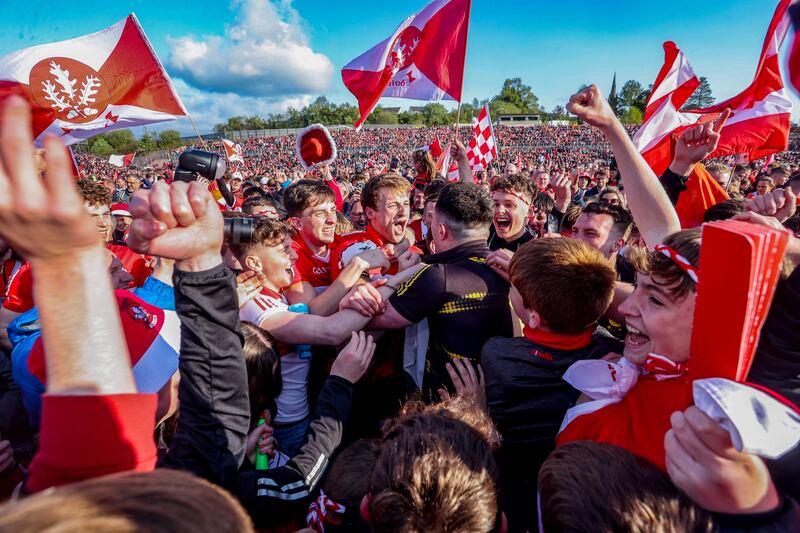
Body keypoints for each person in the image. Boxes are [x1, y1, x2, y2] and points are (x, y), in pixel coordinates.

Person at [481, 238, 620, 532]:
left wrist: (529, 288)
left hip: (513, 496)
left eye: (513, 290)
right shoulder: (614, 355)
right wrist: (535, 287)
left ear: (533, 316)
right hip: (580, 501)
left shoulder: (496, 354)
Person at [341, 183, 513, 396]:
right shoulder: (510, 267)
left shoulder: (439, 276)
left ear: (440, 231)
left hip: (452, 405)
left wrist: (392, 279)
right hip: (504, 396)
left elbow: (367, 317)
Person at [330, 173, 421, 280]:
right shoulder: (349, 248)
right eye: (393, 205)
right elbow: (361, 294)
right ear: (370, 213)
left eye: (405, 204)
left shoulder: (415, 252)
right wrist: (402, 278)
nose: (403, 212)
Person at [487, 174, 536, 252]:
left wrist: (516, 263)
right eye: (495, 204)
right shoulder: (486, 236)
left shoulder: (534, 252)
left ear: (529, 211)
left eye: (509, 205)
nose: (500, 210)